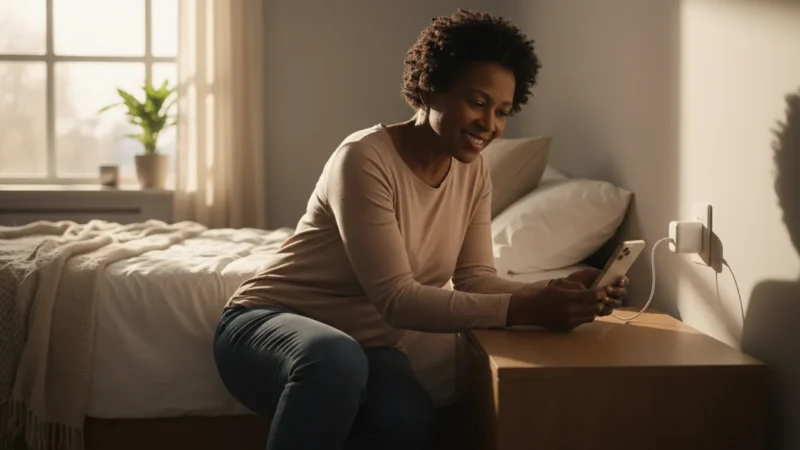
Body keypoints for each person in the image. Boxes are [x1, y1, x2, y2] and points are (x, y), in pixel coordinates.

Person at [213, 9, 628, 450]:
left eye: (503, 111)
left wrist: (553, 290)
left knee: (409, 426)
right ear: (431, 87)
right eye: (478, 102)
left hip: (371, 350)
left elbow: (474, 279)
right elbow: (397, 300)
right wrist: (527, 310)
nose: (490, 125)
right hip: (270, 324)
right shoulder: (364, 158)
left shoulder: (474, 174)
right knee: (335, 359)